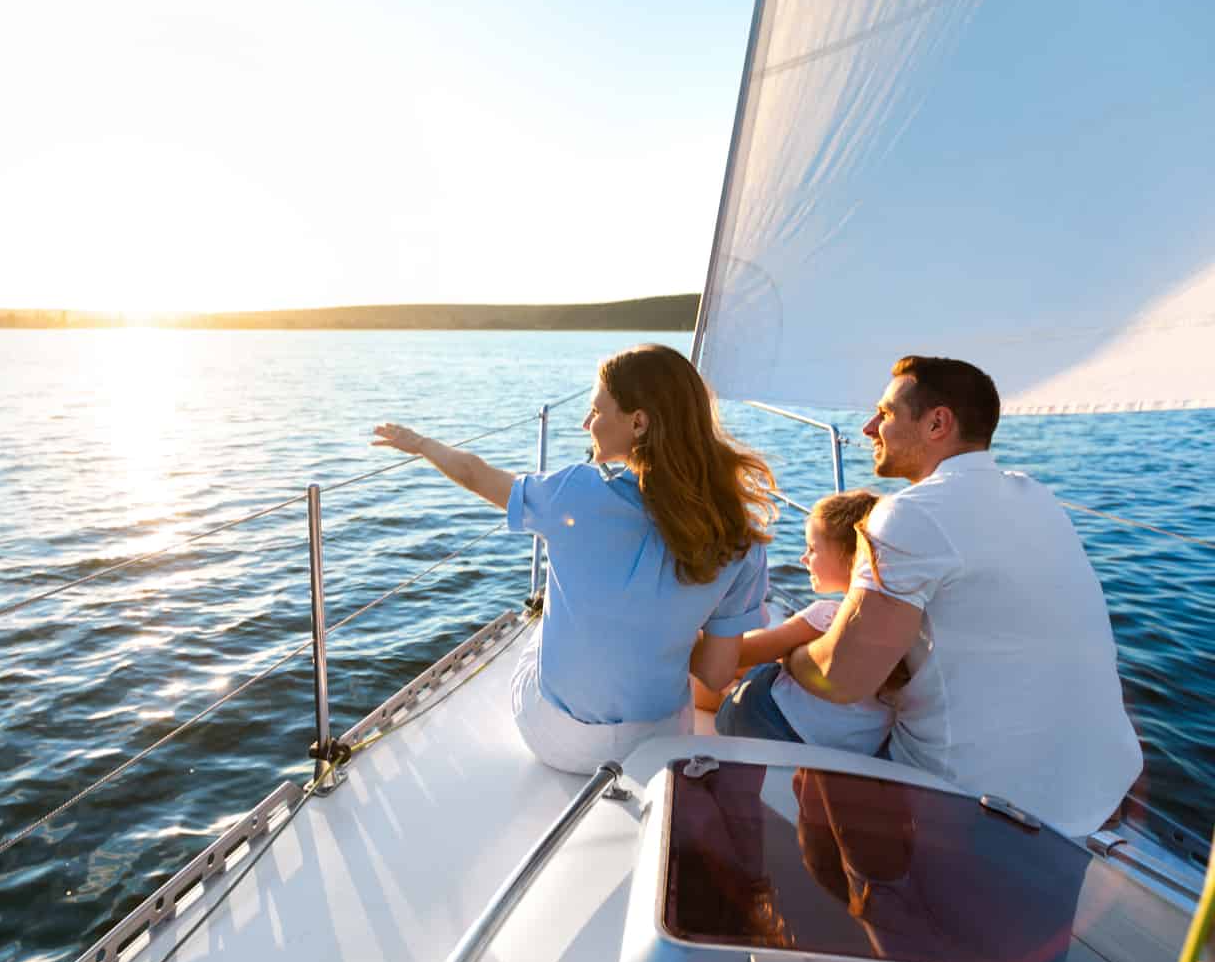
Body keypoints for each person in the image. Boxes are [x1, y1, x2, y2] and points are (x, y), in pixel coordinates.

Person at [781, 355, 1142, 837]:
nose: (868, 428)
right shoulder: (1036, 496)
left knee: (757, 707)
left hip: (979, 800)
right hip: (1100, 787)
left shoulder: (908, 515)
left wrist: (788, 655)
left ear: (937, 422)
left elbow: (842, 678)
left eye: (885, 413)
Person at [372, 343, 774, 774]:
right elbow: (716, 676)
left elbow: (475, 474)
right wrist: (662, 634)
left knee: (543, 622)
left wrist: (420, 444)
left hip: (561, 740)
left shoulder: (575, 493)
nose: (586, 423)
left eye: (597, 411)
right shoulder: (740, 538)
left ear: (638, 423)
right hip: (661, 743)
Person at [714, 489, 899, 756]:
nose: (803, 558)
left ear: (851, 559)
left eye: (812, 549)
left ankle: (724, 695)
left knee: (739, 672)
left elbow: (738, 654)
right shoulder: (904, 627)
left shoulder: (826, 617)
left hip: (765, 722)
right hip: (852, 750)